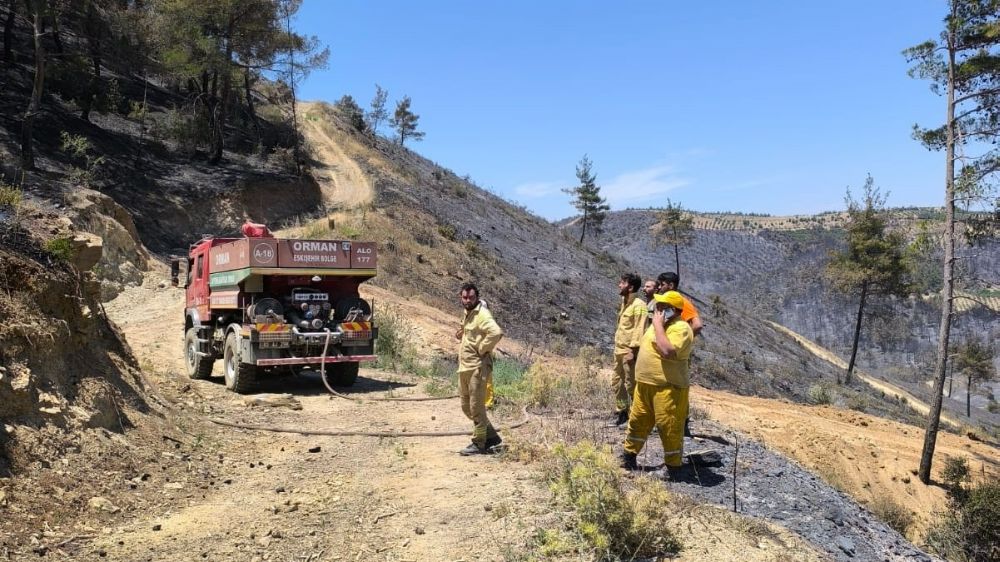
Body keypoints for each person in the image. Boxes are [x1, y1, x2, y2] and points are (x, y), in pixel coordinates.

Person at [620, 291, 694, 477]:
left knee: (668, 425)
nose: (658, 309)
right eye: (658, 305)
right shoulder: (656, 325)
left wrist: (659, 326)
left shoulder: (681, 328)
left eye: (663, 306)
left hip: (668, 387)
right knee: (638, 420)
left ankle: (673, 467)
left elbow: (668, 351)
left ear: (674, 310)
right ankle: (629, 456)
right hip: (645, 384)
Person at [455, 283, 504, 455]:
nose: (468, 300)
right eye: (465, 297)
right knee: (466, 407)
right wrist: (462, 333)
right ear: (461, 297)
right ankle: (491, 437)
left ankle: (479, 443)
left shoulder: (482, 314)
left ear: (477, 298)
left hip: (477, 367)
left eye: (471, 297)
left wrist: (482, 348)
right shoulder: (468, 313)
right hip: (465, 367)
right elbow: (472, 331)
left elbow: (496, 332)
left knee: (476, 408)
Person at [610, 273, 649, 427]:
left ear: (630, 287)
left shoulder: (639, 305)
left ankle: (640, 417)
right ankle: (623, 412)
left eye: (623, 283)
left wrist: (632, 351)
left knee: (631, 385)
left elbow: (640, 329)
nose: (619, 285)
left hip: (629, 352)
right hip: (619, 351)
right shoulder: (624, 302)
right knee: (617, 383)